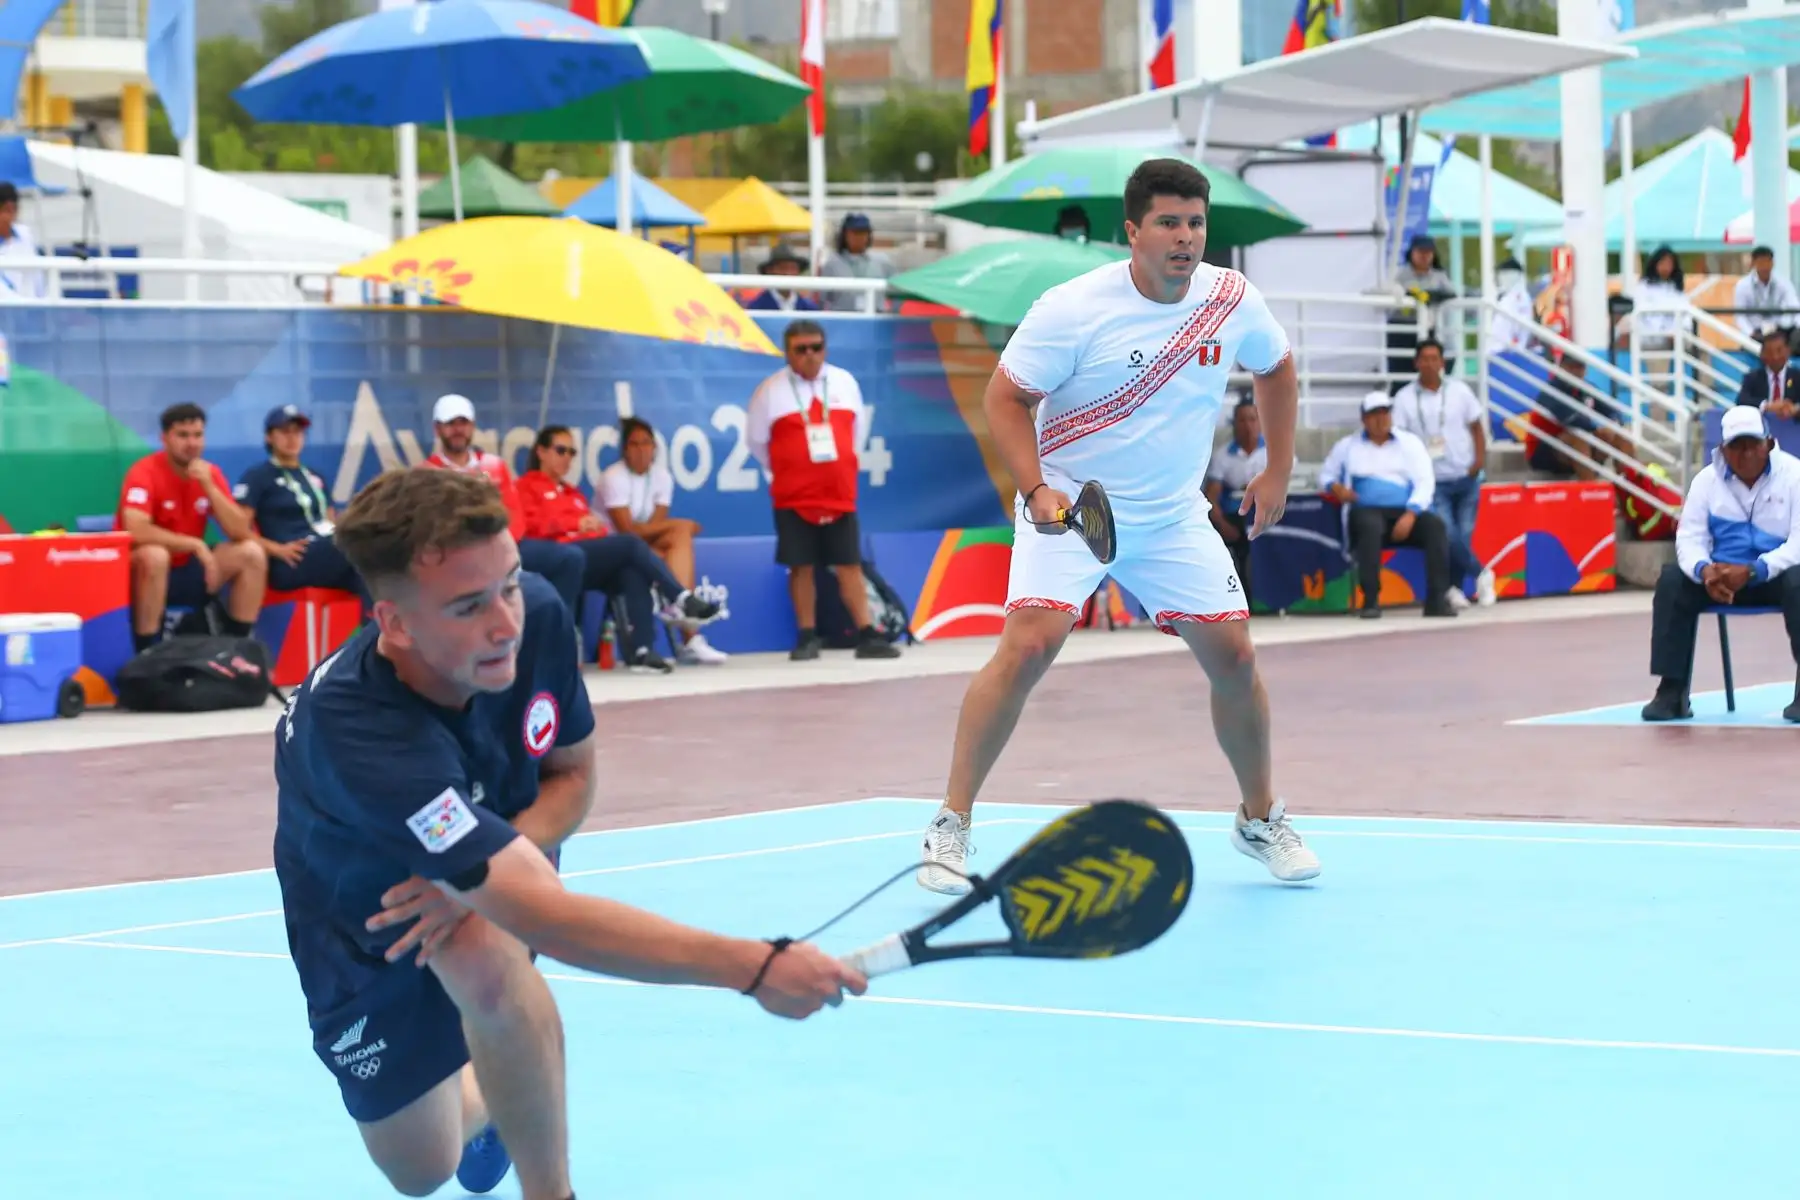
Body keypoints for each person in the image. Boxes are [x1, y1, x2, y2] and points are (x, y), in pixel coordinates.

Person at [272, 466, 863, 1200]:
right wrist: (753, 964)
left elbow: (572, 780)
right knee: (422, 1169)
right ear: (394, 623)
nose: (505, 624)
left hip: (488, 857)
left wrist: (480, 883)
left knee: (484, 949)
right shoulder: (354, 729)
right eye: (468, 606)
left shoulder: (539, 616)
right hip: (369, 917)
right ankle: (490, 1102)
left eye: (510, 585)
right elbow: (544, 914)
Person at [916, 158, 1321, 894]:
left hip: (1170, 514)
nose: (1186, 238)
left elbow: (1278, 369)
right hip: (1074, 501)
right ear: (1132, 232)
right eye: (1169, 222)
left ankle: (1259, 818)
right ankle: (952, 824)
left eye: (1196, 223)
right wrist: (1035, 487)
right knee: (1029, 645)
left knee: (1233, 655)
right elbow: (1005, 400)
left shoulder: (1230, 298)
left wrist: (1277, 469)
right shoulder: (1072, 308)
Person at [746, 320, 902, 661]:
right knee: (800, 567)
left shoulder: (845, 382)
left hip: (838, 493)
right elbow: (757, 442)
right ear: (787, 352)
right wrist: (790, 468)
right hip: (794, 495)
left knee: (849, 564)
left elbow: (857, 434)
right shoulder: (769, 391)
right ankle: (806, 636)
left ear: (825, 349)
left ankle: (867, 633)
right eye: (801, 349)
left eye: (816, 347)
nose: (810, 356)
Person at [514, 425, 723, 673]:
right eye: (561, 450)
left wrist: (589, 528)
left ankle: (642, 650)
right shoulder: (525, 486)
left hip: (584, 556)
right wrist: (574, 524)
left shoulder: (574, 494)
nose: (567, 458)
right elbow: (526, 527)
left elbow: (598, 531)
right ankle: (679, 597)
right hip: (555, 557)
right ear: (541, 452)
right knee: (631, 542)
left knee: (631, 569)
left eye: (572, 452)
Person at [1641, 407, 1800, 722]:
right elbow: (1689, 538)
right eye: (1736, 446)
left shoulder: (1795, 476)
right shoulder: (1705, 482)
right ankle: (1672, 691)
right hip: (1721, 582)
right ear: (1723, 449)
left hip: (1775, 577)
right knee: (1673, 579)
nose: (1745, 454)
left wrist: (1755, 569)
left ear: (1769, 443)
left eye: (1752, 444)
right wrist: (1704, 570)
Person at [118, 401, 269, 651]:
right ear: (164, 438)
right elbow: (135, 529)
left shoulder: (209, 473)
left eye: (198, 435)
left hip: (191, 570)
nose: (192, 443)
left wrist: (209, 486)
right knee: (155, 556)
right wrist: (195, 544)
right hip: (142, 574)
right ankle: (147, 652)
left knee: (251, 553)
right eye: (183, 435)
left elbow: (240, 531)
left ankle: (237, 649)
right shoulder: (144, 472)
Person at [598, 417, 729, 665]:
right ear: (625, 450)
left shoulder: (662, 477)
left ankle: (687, 629)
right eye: (634, 444)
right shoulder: (613, 477)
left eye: (646, 443)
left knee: (678, 537)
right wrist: (681, 524)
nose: (641, 450)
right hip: (612, 552)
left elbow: (653, 530)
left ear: (655, 448)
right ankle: (684, 614)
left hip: (641, 548)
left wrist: (677, 527)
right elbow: (627, 533)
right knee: (680, 531)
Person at [1321, 394, 1458, 620]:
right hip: (1366, 511)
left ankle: (1436, 600)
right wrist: (1335, 487)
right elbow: (1325, 474)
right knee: (1369, 525)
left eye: (1385, 413)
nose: (1381, 419)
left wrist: (1412, 513)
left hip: (1406, 512)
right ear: (1364, 419)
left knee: (1435, 526)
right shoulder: (1348, 446)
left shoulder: (1410, 443)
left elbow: (1426, 481)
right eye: (1374, 414)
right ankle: (1371, 600)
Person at [234, 404, 371, 609]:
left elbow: (330, 519)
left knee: (373, 574)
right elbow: (238, 529)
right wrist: (277, 549)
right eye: (285, 431)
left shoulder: (315, 476)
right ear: (269, 437)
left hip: (326, 550)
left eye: (297, 432)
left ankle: (376, 637)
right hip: (291, 560)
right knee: (356, 545)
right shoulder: (257, 476)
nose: (292, 438)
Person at [1390, 337, 1493, 608]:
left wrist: (1478, 461)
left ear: (1442, 363)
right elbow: (1399, 440)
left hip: (1466, 476)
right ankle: (1482, 573)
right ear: (1416, 363)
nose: (1429, 363)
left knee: (1464, 533)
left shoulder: (1460, 391)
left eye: (1434, 358)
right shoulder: (1404, 398)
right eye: (1424, 358)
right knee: (1448, 532)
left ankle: (1455, 589)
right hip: (1433, 482)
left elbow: (1477, 427)